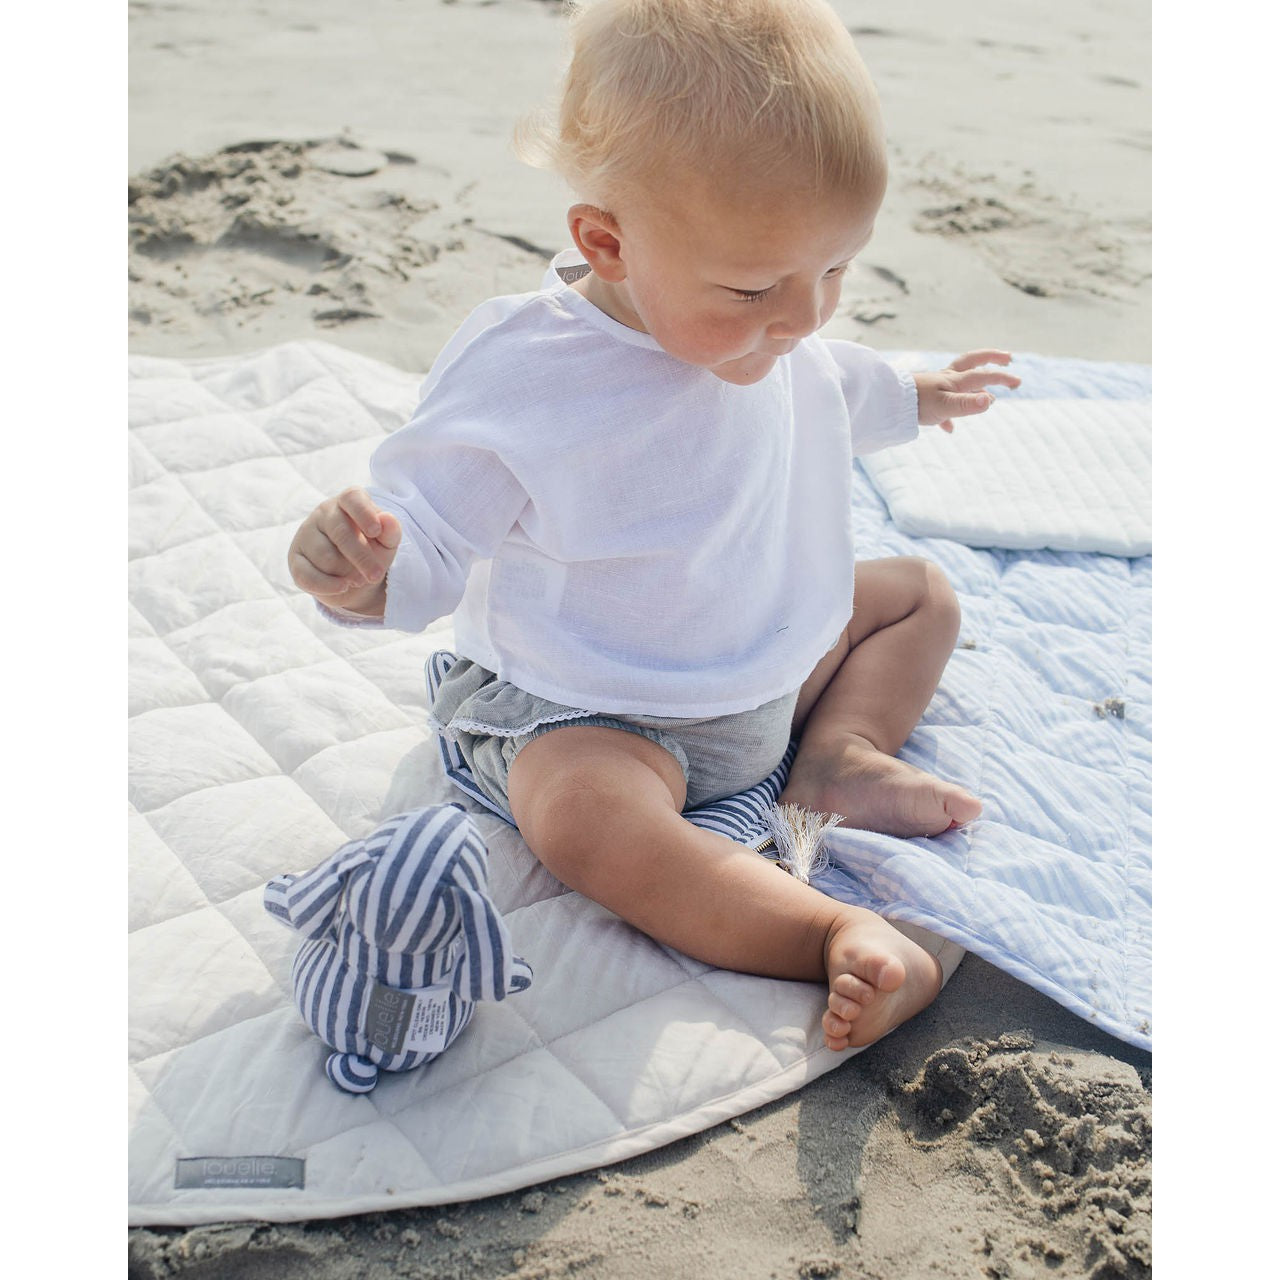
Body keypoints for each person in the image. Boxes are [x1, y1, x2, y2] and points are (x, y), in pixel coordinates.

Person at [288, 0, 1020, 1052]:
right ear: (607, 241)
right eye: (756, 286)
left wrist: (918, 392)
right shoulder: (530, 372)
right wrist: (360, 572)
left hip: (764, 672)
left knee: (920, 595)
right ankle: (825, 930)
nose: (805, 314)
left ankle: (836, 754)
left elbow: (833, 382)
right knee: (586, 822)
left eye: (836, 268)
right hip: (596, 710)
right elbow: (431, 536)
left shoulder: (773, 326)